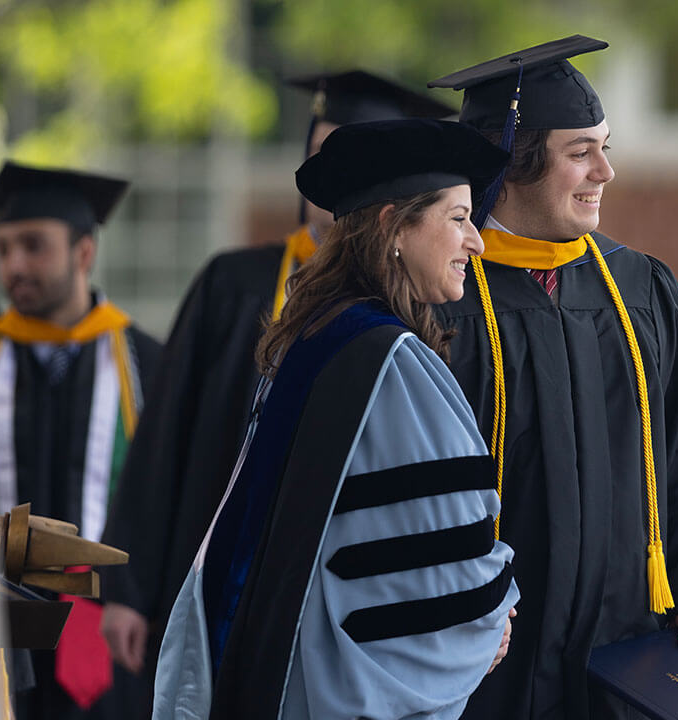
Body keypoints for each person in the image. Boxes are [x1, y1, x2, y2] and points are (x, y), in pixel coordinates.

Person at [96, 71, 455, 709]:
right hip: (215, 571)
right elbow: (165, 437)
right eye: (320, 152)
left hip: (334, 608)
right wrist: (130, 586)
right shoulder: (235, 284)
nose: (335, 166)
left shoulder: (416, 318)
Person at [427, 35, 678, 718]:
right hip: (483, 659)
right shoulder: (442, 299)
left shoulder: (640, 287)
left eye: (606, 147)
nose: (605, 171)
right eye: (580, 152)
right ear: (511, 162)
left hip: (626, 655)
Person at [151, 118, 517, 720]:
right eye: (457, 219)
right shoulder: (392, 366)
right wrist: (485, 618)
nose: (476, 241)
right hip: (347, 696)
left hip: (291, 673)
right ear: (393, 225)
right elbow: (447, 560)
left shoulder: (315, 339)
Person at [0, 161, 162, 720]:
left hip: (112, 632)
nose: (14, 265)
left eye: (33, 245)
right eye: (5, 248)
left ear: (84, 253)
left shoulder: (149, 366)